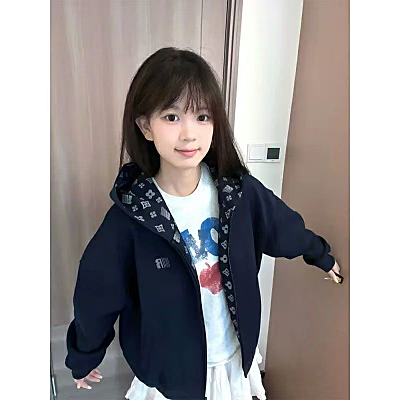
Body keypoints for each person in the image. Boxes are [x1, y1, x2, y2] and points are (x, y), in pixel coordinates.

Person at [64, 47, 342, 400]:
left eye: (202, 116)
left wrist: (321, 254)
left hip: (231, 358)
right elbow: (98, 293)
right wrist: (84, 355)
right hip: (170, 374)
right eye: (171, 117)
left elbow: (282, 227)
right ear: (146, 126)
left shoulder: (238, 192)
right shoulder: (130, 217)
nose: (189, 134)